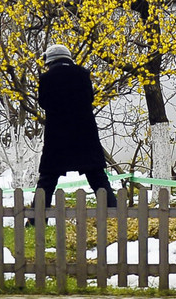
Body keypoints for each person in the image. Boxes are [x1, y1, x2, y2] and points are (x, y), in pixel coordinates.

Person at [28, 44, 117, 226]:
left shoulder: (46, 78)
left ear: (50, 61)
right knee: (97, 175)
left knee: (48, 178)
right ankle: (114, 212)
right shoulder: (83, 74)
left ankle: (37, 220)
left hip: (58, 135)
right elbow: (89, 99)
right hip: (84, 133)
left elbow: (44, 103)